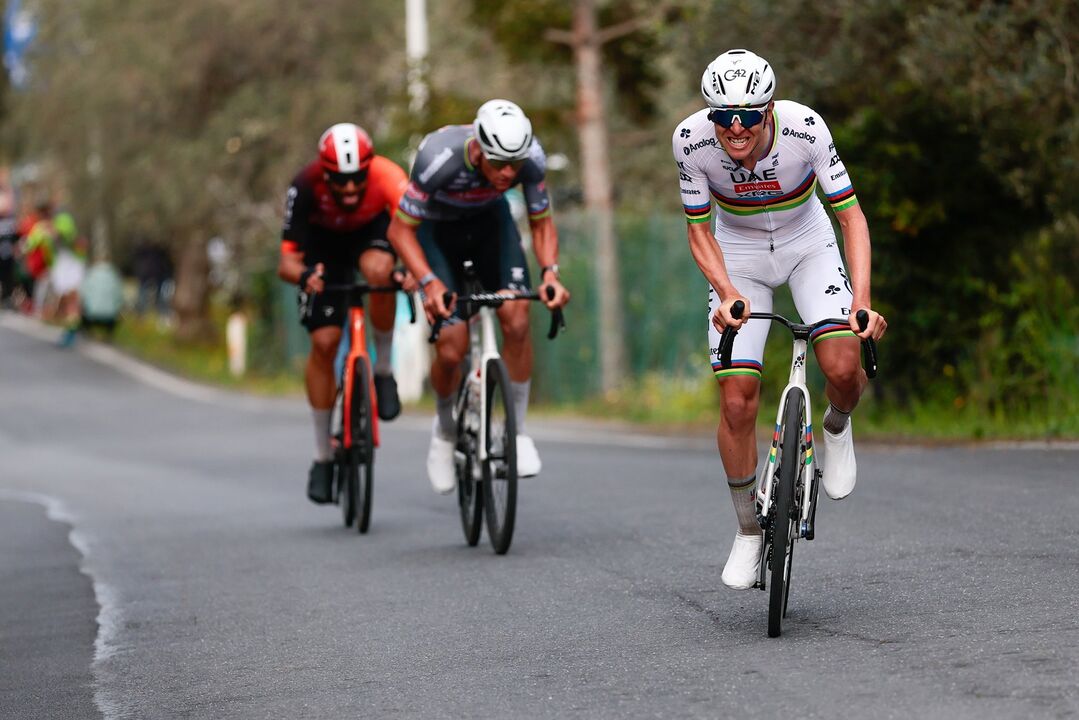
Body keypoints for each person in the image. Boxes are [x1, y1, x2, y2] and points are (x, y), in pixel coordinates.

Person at [672, 49, 887, 590]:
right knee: (737, 397)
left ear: (770, 108)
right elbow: (699, 230)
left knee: (841, 363)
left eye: (748, 113)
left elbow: (851, 216)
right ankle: (748, 529)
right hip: (738, 253)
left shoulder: (806, 128)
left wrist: (861, 298)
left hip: (806, 242)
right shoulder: (691, 141)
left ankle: (836, 425)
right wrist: (724, 292)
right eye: (723, 115)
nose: (736, 127)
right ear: (710, 116)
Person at [387, 99, 570, 495]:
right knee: (450, 349)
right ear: (479, 150)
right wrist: (429, 283)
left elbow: (541, 221)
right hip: (436, 233)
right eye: (499, 163)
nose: (508, 173)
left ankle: (517, 433)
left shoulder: (531, 157)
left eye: (515, 165)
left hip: (491, 226)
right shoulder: (439, 156)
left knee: (518, 317)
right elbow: (400, 231)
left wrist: (550, 274)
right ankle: (445, 430)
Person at [278, 123, 409, 504]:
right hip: (323, 247)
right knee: (325, 341)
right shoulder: (304, 184)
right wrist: (305, 276)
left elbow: (415, 231)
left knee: (380, 273)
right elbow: (285, 263)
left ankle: (383, 370)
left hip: (371, 234)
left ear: (369, 167)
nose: (350, 189)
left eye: (357, 179)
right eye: (340, 181)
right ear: (324, 172)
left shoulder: (388, 176)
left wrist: (416, 272)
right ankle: (321, 456)